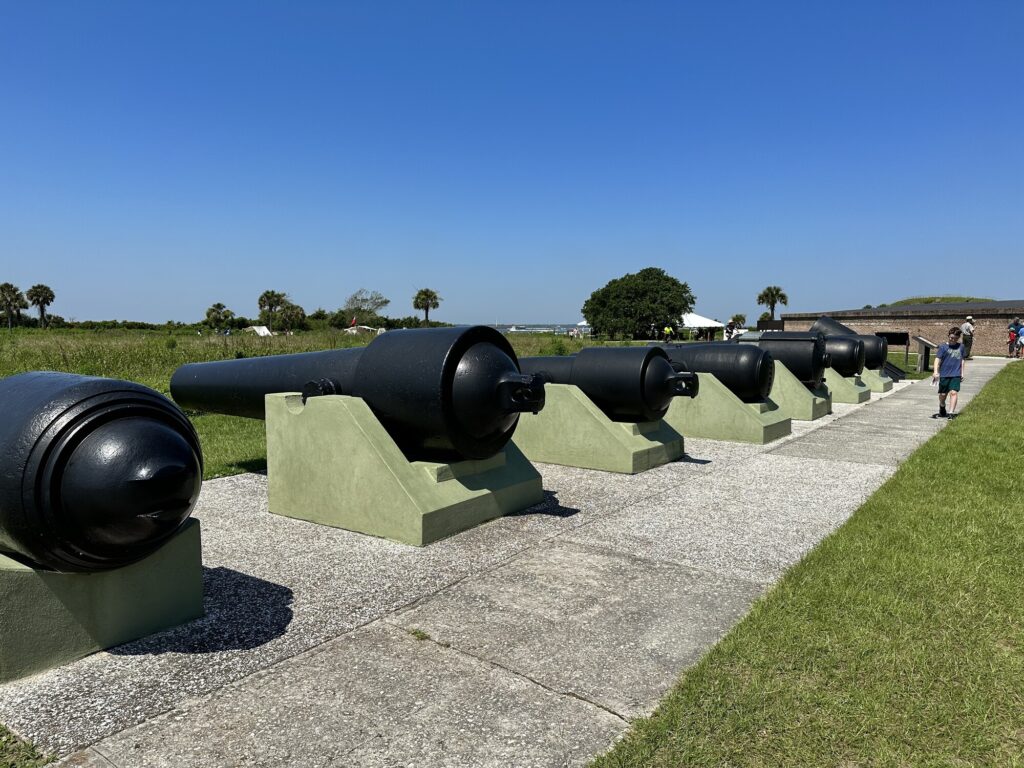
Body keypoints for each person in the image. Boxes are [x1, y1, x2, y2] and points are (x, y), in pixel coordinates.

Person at [932, 327, 966, 419]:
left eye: (955, 338)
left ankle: (951, 413)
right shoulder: (943, 347)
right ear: (948, 336)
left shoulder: (961, 347)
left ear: (958, 338)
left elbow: (962, 360)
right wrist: (935, 372)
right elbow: (937, 359)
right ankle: (942, 406)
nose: (953, 340)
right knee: (943, 395)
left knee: (954, 393)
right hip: (944, 374)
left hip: (956, 374)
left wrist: (962, 372)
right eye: (951, 337)